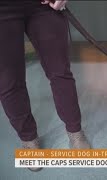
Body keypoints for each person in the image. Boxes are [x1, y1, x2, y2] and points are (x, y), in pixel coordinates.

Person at [0, 0, 90, 171]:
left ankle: (75, 131)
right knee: (8, 80)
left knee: (60, 72)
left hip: (43, 5)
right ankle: (28, 139)